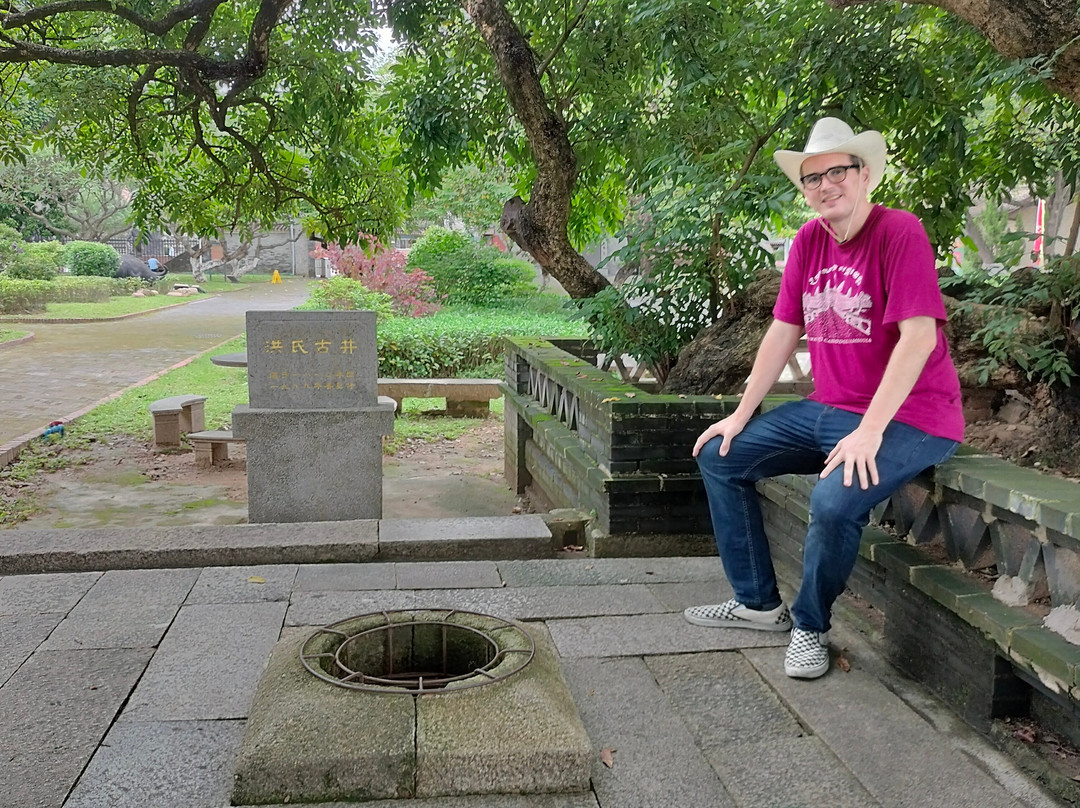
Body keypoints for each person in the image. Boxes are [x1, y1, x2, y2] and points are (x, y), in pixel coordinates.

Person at [684, 117, 964, 679]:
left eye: (838, 171)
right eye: (813, 177)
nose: (825, 185)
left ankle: (810, 627)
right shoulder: (809, 241)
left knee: (834, 503)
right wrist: (740, 415)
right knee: (720, 456)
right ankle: (759, 606)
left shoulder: (899, 231)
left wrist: (870, 430)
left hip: (912, 417)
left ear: (864, 176)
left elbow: (919, 337)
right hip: (830, 408)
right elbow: (782, 331)